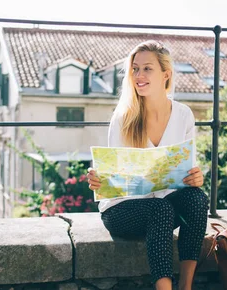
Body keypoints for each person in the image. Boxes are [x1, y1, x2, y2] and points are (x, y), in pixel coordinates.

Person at [86, 40, 209, 290]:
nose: (139, 75)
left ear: (166, 74)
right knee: (160, 209)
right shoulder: (123, 118)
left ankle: (186, 286)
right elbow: (112, 177)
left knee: (197, 199)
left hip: (163, 204)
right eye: (135, 69)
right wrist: (99, 178)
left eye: (147, 69)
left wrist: (195, 177)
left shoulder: (183, 114)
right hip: (122, 211)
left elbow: (187, 170)